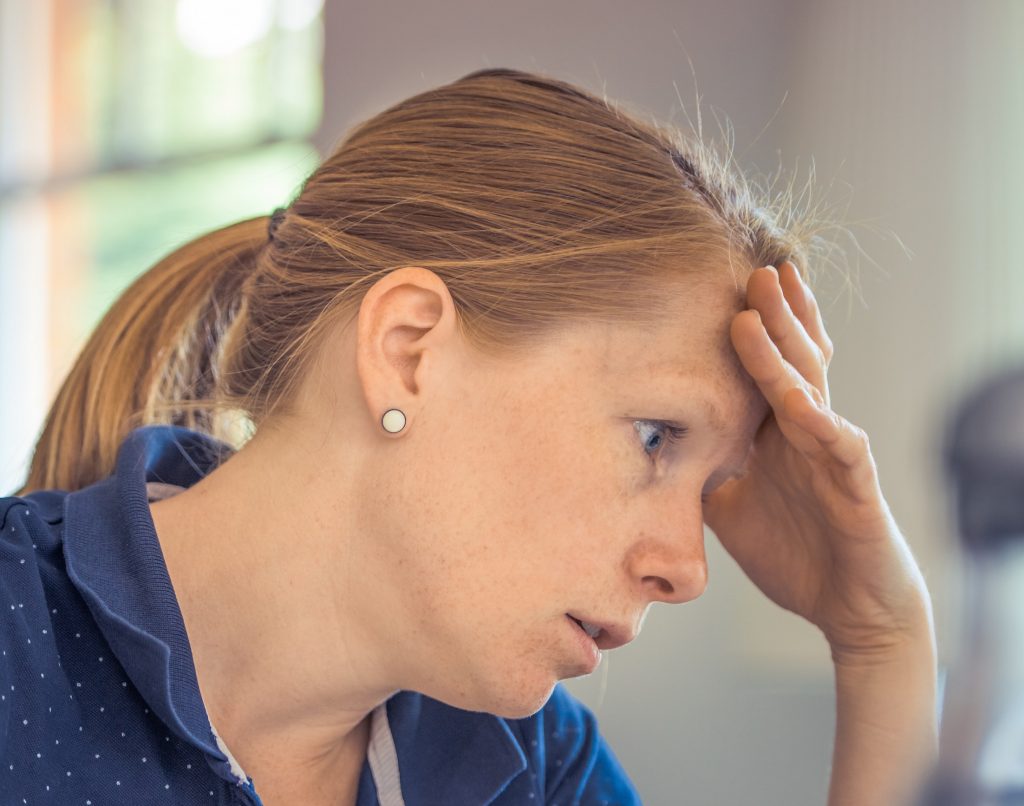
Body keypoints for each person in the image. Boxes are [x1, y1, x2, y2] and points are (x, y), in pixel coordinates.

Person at [1, 67, 937, 805]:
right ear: (408, 351)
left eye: (709, 486)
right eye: (656, 437)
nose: (687, 571)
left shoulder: (525, 764)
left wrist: (881, 641)